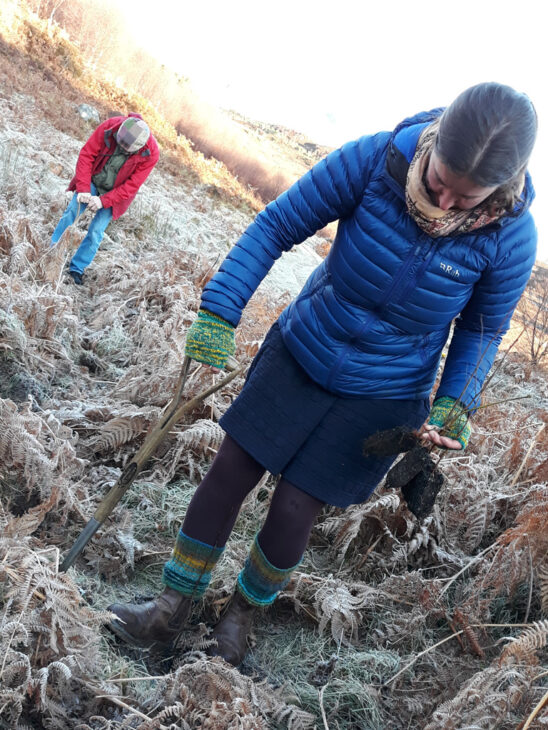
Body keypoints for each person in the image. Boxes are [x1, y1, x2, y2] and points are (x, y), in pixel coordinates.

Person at [108, 82, 538, 665]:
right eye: (439, 181)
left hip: (386, 390)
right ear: (434, 146)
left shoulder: (510, 238)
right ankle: (169, 608)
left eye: (468, 197)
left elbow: (483, 331)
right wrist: (220, 309)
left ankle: (238, 622)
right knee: (231, 470)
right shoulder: (374, 161)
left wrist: (454, 404)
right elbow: (276, 226)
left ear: (501, 187)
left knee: (294, 508)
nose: (446, 202)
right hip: (304, 347)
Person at [51, 113, 159, 285]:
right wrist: (84, 189)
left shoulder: (151, 154)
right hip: (94, 178)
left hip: (116, 194)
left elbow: (132, 185)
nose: (120, 146)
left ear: (138, 148)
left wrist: (104, 201)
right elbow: (87, 155)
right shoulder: (111, 126)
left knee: (96, 230)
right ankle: (52, 252)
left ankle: (77, 268)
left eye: (125, 147)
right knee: (73, 211)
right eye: (119, 142)